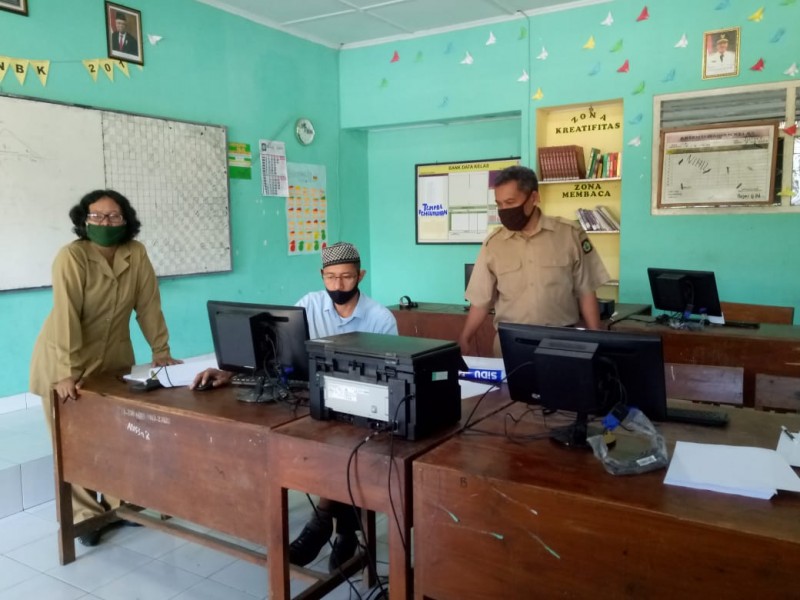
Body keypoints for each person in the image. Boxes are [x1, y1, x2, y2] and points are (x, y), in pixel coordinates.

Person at [191, 241, 397, 571]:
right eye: (330, 277)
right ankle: (345, 533)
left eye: (346, 277)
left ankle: (322, 523)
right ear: (321, 275)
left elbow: (389, 375)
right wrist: (231, 370)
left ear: (361, 275)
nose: (338, 285)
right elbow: (277, 351)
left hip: (362, 405)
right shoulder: (308, 305)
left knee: (342, 445)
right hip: (313, 399)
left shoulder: (380, 318)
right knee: (313, 443)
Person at [29, 189, 180, 546]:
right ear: (83, 221)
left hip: (113, 360)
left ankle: (119, 504)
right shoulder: (72, 257)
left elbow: (148, 304)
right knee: (74, 442)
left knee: (116, 434)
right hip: (65, 358)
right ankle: (86, 517)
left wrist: (161, 350)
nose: (105, 223)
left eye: (113, 216)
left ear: (126, 220)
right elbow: (66, 314)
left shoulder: (135, 253)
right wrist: (66, 370)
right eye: (96, 216)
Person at [459, 165, 610, 357]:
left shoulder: (569, 235)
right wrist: (465, 337)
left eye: (510, 202)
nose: (504, 210)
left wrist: (596, 337)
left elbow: (586, 291)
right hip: (511, 343)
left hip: (561, 341)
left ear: (534, 198)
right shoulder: (494, 244)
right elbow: (481, 299)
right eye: (499, 204)